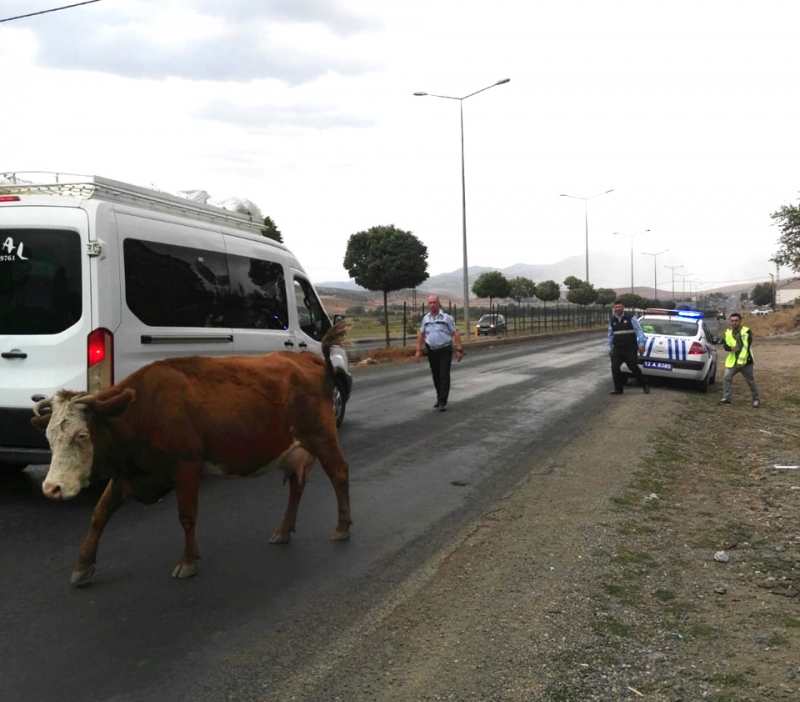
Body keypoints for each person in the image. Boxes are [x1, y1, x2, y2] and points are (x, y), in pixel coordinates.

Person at [415, 294, 463, 412]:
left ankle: (443, 401)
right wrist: (418, 350)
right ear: (428, 304)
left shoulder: (446, 317)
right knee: (436, 375)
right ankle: (439, 397)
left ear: (438, 303)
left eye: (434, 302)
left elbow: (455, 333)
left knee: (444, 375)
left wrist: (459, 349)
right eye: (430, 303)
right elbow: (421, 334)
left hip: (445, 349)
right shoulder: (426, 319)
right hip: (432, 350)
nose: (432, 305)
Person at [607, 300, 649, 395]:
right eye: (616, 307)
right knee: (615, 368)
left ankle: (644, 384)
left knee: (633, 367)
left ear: (623, 307)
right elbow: (610, 335)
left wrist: (641, 344)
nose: (617, 309)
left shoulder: (631, 318)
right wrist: (609, 348)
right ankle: (618, 388)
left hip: (630, 348)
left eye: (619, 307)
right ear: (614, 308)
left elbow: (639, 332)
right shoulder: (612, 320)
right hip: (617, 348)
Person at [718, 312, 760, 407]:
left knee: (750, 381)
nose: (734, 323)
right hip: (733, 362)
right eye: (732, 321)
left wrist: (742, 361)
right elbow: (725, 346)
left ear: (740, 321)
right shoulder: (728, 333)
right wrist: (730, 348)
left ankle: (756, 399)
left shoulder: (746, 331)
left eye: (736, 321)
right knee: (726, 377)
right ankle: (726, 398)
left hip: (746, 362)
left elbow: (747, 346)